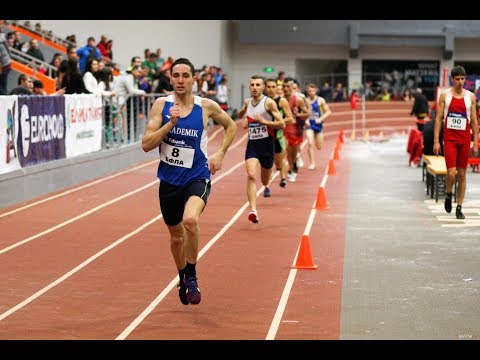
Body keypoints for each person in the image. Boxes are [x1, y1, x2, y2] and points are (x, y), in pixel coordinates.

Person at [141, 58, 237, 305]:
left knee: (190, 221)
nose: (180, 80)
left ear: (194, 79)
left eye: (185, 75)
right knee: (175, 237)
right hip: (169, 181)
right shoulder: (161, 106)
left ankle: (192, 275)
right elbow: (146, 144)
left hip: (197, 176)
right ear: (170, 79)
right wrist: (169, 125)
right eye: (176, 76)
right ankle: (182, 275)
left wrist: (221, 153)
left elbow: (231, 125)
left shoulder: (206, 106)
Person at [433, 65, 478, 220]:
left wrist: (476, 142)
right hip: (450, 138)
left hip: (465, 138)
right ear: (452, 80)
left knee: (462, 174)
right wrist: (436, 141)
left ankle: (459, 207)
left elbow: (474, 121)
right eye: (457, 79)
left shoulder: (470, 97)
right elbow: (438, 119)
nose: (460, 82)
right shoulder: (445, 96)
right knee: (451, 173)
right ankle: (448, 193)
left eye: (462, 79)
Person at [238, 75, 285, 223]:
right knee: (251, 175)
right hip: (252, 144)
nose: (255, 87)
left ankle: (266, 182)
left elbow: (282, 124)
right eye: (252, 85)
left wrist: (263, 121)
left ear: (263, 87)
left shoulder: (269, 103)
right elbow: (242, 118)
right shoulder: (247, 102)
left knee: (265, 179)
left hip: (267, 144)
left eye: (258, 85)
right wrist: (243, 111)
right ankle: (253, 210)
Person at [265, 78, 293, 188]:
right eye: (269, 87)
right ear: (265, 88)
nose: (271, 89)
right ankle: (267, 186)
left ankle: (282, 176)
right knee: (266, 161)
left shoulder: (282, 101)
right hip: (265, 136)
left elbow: (290, 118)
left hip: (278, 136)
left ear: (277, 88)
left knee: (279, 163)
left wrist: (276, 123)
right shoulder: (263, 101)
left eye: (273, 87)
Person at [304, 83, 332, 170]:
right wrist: (305, 120)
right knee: (310, 143)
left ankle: (317, 143)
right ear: (307, 91)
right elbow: (302, 113)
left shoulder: (320, 100)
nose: (311, 92)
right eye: (309, 91)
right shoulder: (305, 101)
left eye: (312, 91)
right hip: (309, 125)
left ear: (316, 90)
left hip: (318, 125)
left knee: (319, 146)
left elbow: (328, 112)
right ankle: (312, 163)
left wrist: (320, 119)